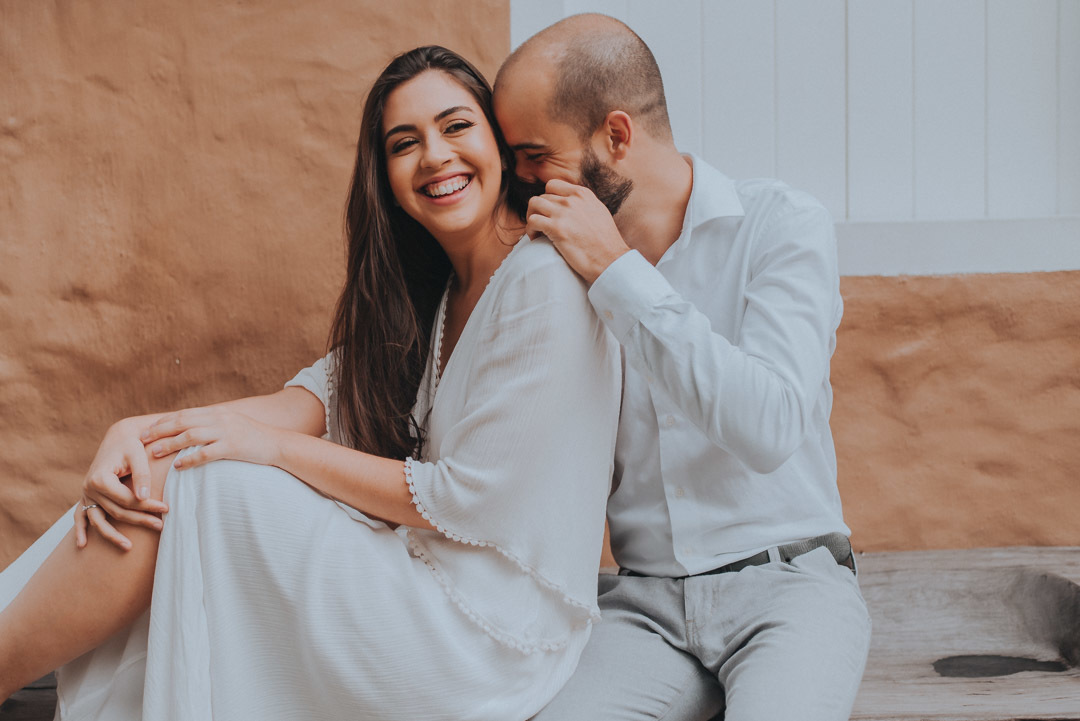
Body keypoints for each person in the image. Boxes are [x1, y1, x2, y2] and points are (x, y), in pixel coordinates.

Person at [0, 45, 621, 721]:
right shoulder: (441, 296)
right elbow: (313, 400)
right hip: (423, 586)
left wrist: (265, 449)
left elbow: (465, 499)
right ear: (385, 175)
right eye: (404, 143)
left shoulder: (542, 280)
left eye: (456, 126)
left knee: (209, 476)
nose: (435, 156)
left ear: (500, 145)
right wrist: (139, 434)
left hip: (487, 639)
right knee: (169, 463)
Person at [492, 14, 871, 721]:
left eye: (534, 154)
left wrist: (617, 272)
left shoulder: (781, 224)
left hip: (789, 587)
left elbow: (768, 425)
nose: (521, 179)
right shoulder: (553, 273)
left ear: (616, 136)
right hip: (642, 608)